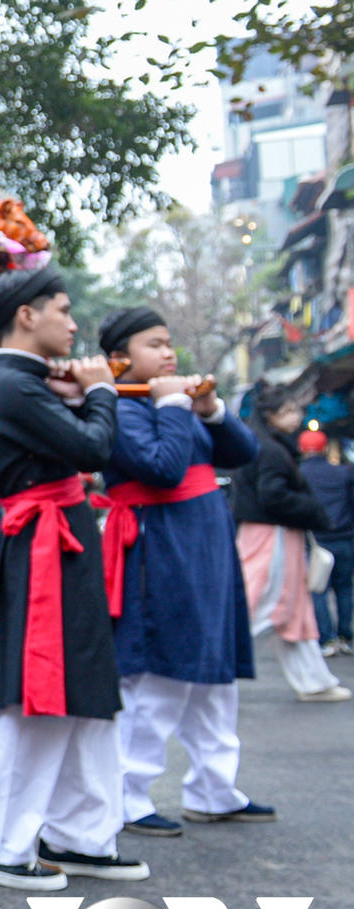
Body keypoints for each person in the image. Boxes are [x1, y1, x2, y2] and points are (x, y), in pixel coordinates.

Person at [0, 265, 147, 891]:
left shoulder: (29, 385)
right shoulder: (11, 385)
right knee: (39, 698)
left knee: (86, 699)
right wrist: (102, 394)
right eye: (61, 309)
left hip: (58, 540)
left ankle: (82, 835)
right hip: (42, 546)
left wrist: (83, 393)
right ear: (26, 316)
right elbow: (92, 450)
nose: (72, 322)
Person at [96, 308, 273, 838]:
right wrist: (174, 403)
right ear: (119, 358)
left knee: (214, 675)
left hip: (205, 543)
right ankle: (128, 793)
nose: (168, 353)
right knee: (161, 675)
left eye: (169, 343)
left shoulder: (176, 403)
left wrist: (212, 409)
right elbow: (162, 467)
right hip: (160, 544)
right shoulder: (118, 406)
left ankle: (216, 790)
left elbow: (244, 452)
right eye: (154, 344)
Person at [232, 384, 348, 700]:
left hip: (273, 532)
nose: (297, 417)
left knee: (289, 609)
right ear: (271, 415)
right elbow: (274, 495)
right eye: (290, 411)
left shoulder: (262, 444)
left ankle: (314, 681)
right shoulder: (270, 449)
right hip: (273, 535)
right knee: (263, 604)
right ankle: (210, 664)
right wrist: (313, 512)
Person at [297, 428, 354, 653]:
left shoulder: (299, 474)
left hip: (315, 541)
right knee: (344, 588)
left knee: (318, 589)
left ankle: (326, 639)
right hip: (345, 538)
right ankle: (345, 637)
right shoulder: (344, 473)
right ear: (325, 448)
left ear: (302, 449)